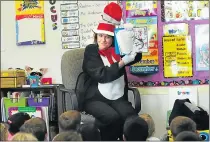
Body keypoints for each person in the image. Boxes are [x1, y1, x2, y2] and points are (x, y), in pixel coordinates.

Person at [81, 2, 142, 140]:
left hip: (118, 97)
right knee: (112, 117)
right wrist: (122, 62)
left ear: (112, 38)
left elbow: (136, 56)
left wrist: (132, 40)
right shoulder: (91, 50)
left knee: (131, 118)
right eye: (100, 36)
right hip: (95, 99)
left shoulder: (117, 50)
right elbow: (102, 75)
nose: (103, 40)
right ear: (96, 37)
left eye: (107, 37)